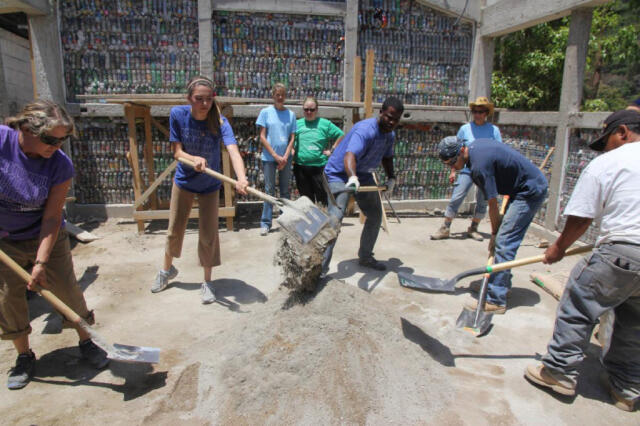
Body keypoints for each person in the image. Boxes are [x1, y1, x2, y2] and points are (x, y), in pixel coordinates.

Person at [524, 109, 640, 412]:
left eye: (607, 140)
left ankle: (559, 371)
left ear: (623, 132)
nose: (605, 148)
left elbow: (581, 218)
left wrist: (558, 248)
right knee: (634, 320)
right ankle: (626, 388)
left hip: (624, 251)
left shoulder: (610, 162)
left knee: (579, 301)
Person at [0, 100, 109, 390]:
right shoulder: (1, 142)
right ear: (26, 129)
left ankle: (87, 341)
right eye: (50, 139)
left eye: (62, 140)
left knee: (67, 291)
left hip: (44, 235)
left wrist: (40, 262)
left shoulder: (60, 164)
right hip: (4, 240)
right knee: (9, 298)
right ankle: (24, 356)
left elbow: (51, 218)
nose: (56, 146)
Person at [151, 76, 249, 304]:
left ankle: (207, 282)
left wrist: (242, 178)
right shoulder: (178, 114)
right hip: (184, 180)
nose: (204, 104)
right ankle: (166, 271)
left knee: (208, 235)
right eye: (199, 99)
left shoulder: (220, 121)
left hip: (209, 185)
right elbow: (177, 152)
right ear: (189, 99)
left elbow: (233, 151)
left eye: (208, 99)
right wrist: (192, 157)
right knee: (174, 230)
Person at [437, 135, 548, 314]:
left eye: (451, 162)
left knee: (504, 241)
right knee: (504, 238)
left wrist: (495, 234)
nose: (451, 167)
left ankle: (496, 300)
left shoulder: (479, 166)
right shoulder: (474, 150)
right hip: (519, 188)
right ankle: (502, 283)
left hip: (529, 191)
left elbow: (492, 204)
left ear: (461, 151)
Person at [322, 97, 403, 273]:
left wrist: (391, 178)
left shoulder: (390, 135)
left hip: (363, 174)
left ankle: (365, 257)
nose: (391, 122)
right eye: (389, 117)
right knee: (335, 218)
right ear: (380, 113)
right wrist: (352, 178)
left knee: (375, 215)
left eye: (396, 119)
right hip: (339, 174)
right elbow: (349, 156)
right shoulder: (365, 130)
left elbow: (387, 157)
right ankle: (319, 268)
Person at [431, 96, 502, 241]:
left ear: (486, 113)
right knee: (457, 196)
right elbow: (455, 151)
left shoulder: (493, 130)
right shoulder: (465, 129)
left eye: (481, 111)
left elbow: (499, 150)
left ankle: (474, 227)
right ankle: (445, 227)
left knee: (482, 199)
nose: (477, 114)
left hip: (486, 171)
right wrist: (452, 170)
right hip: (467, 169)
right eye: (475, 111)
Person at [256, 83, 297, 236]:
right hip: (269, 158)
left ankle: (285, 222)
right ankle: (266, 223)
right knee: (269, 191)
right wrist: (275, 155)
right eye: (277, 94)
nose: (280, 97)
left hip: (285, 158)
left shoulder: (291, 115)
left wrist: (285, 157)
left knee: (285, 190)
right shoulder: (265, 112)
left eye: (283, 94)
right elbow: (262, 136)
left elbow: (292, 137)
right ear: (273, 95)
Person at [293, 96, 344, 206]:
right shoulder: (297, 124)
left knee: (322, 198)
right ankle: (310, 222)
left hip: (319, 167)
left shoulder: (325, 123)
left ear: (317, 110)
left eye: (312, 109)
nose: (309, 112)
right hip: (301, 167)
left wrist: (332, 150)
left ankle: (324, 221)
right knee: (306, 199)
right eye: (306, 109)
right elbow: (290, 140)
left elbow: (341, 135)